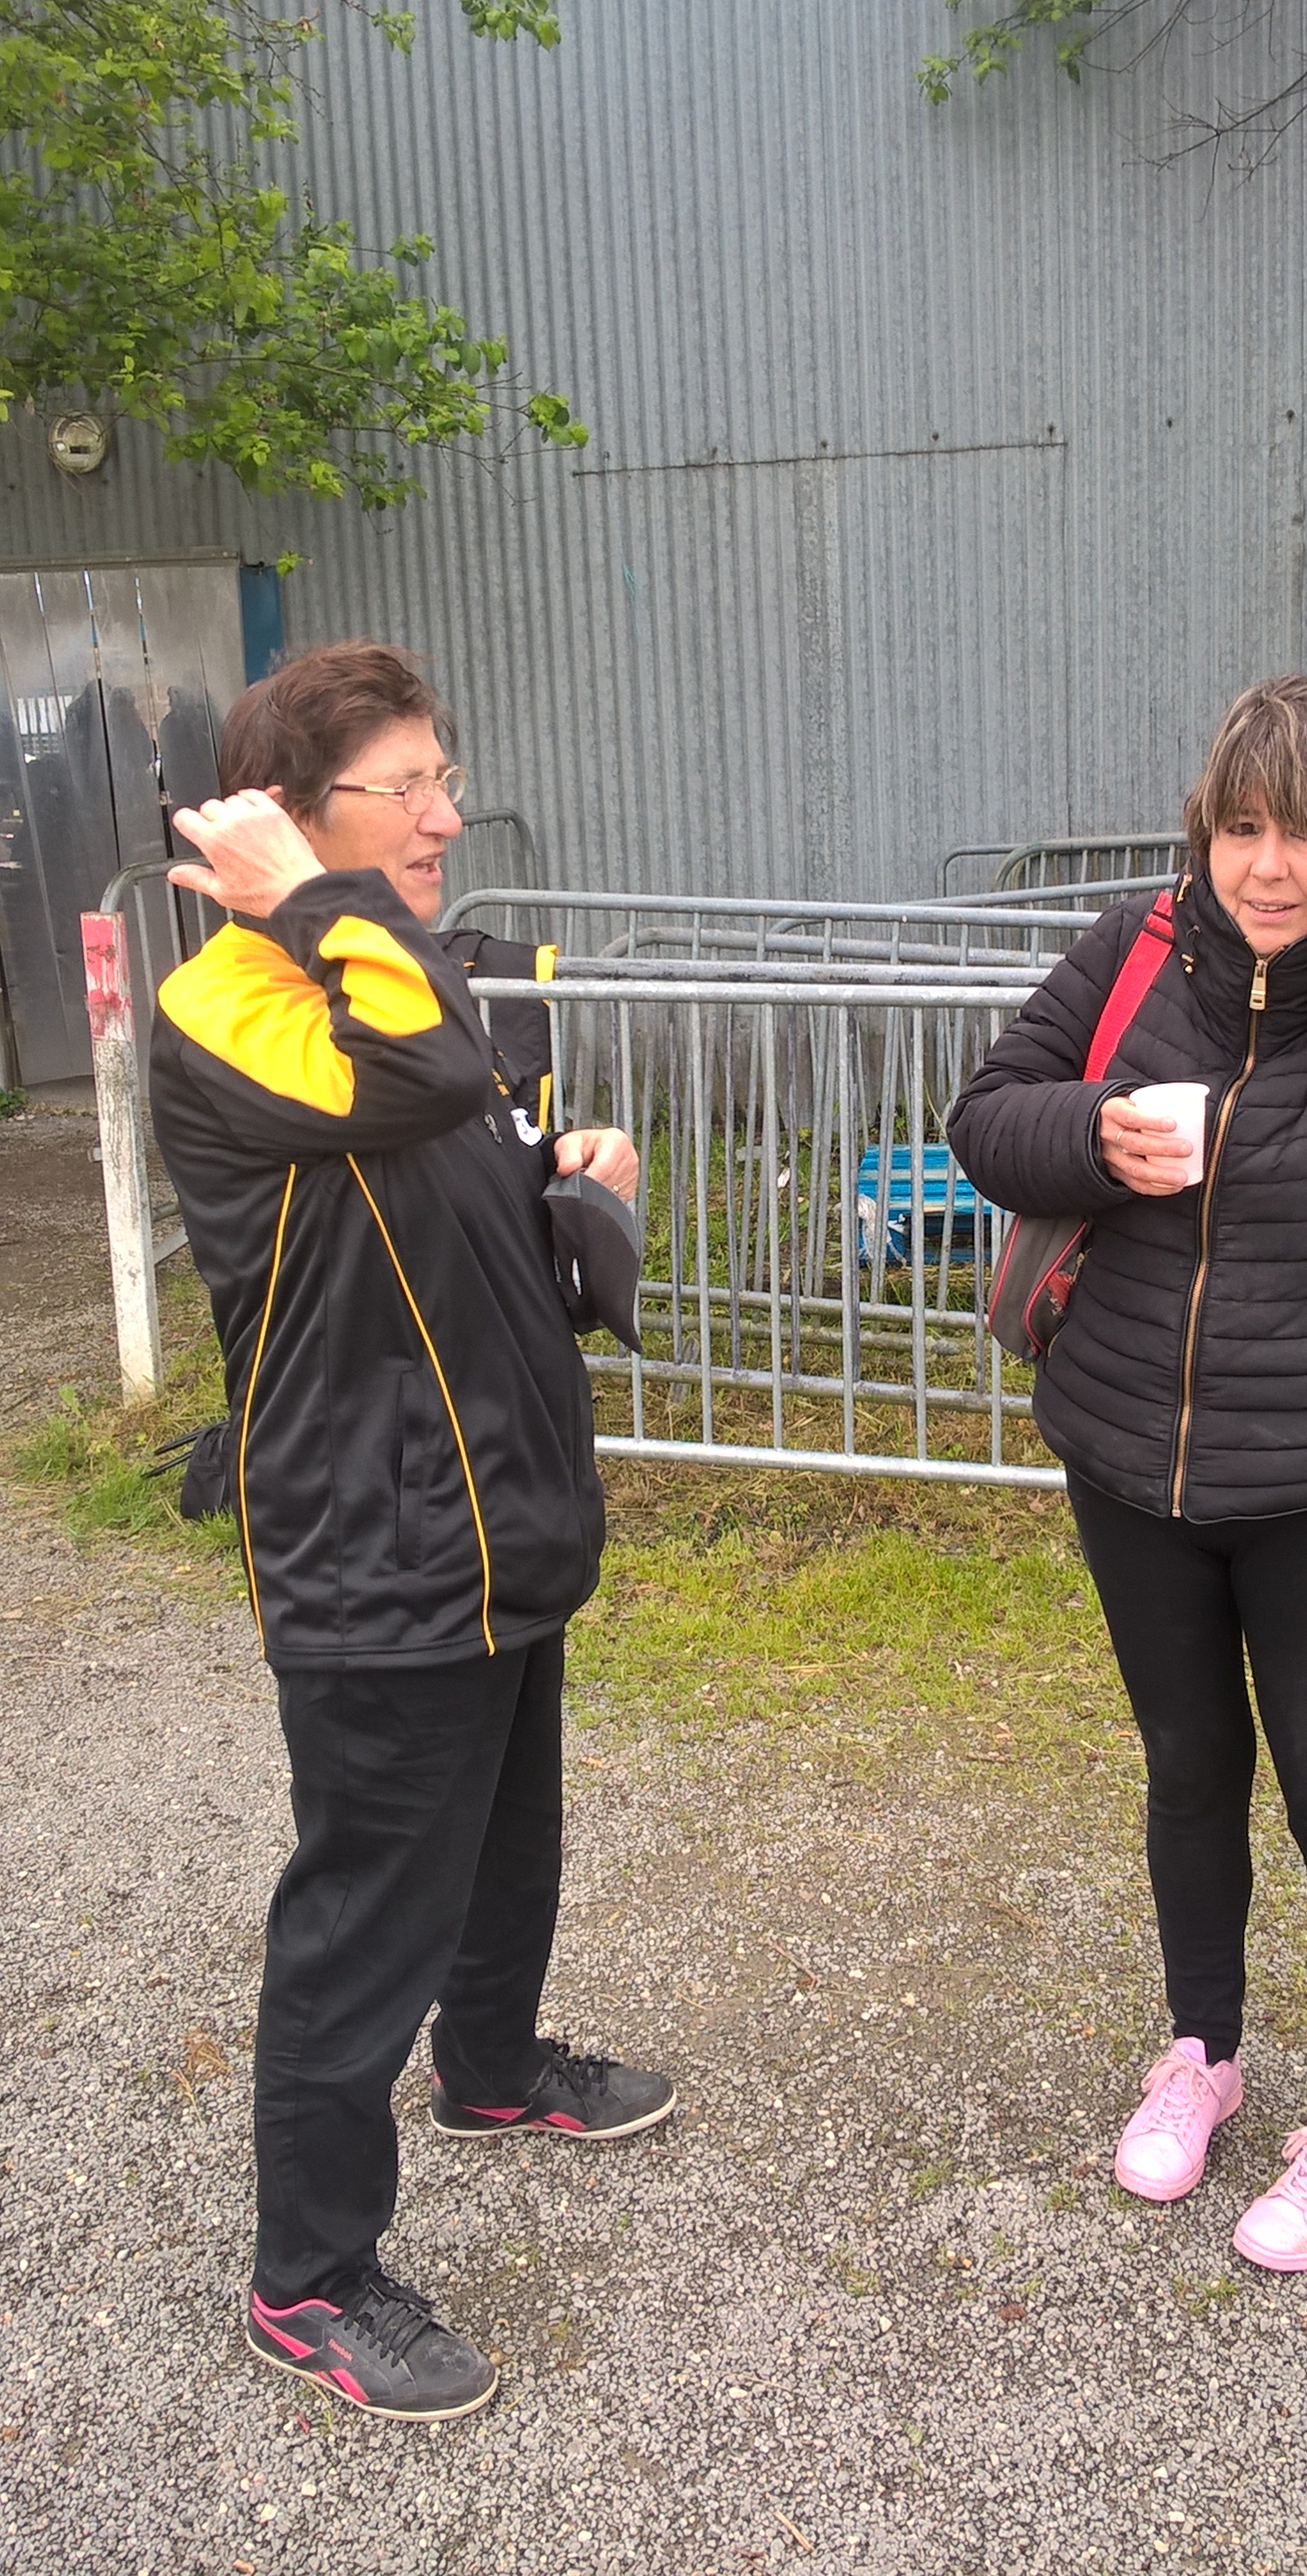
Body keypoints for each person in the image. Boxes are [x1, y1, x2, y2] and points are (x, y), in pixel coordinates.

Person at [947, 678, 1307, 2272]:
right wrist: (1090, 1136)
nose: (1270, 866)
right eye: (1243, 826)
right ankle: (1202, 2051)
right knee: (1188, 1768)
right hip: (1130, 1451)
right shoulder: (1138, 950)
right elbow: (986, 1118)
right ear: (1207, 826)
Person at [150, 639, 673, 2422]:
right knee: (363, 1909)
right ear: (290, 828)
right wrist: (317, 903)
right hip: (373, 1537)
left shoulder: (389, 976)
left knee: (509, 1837)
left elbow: (450, 1161)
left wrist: (563, 1192)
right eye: (410, 787)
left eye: (447, 775)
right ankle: (305, 2277)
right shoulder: (232, 1004)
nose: (449, 814)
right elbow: (422, 1078)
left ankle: (498, 2065)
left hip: (499, 1507)